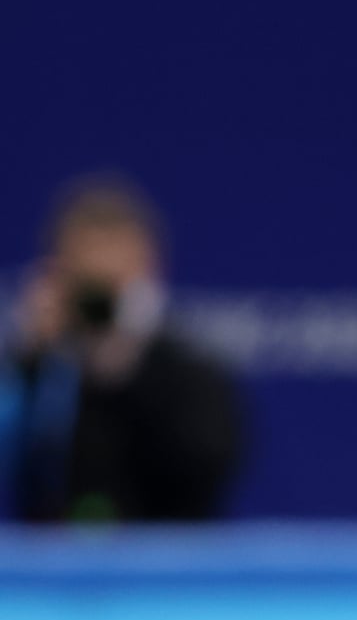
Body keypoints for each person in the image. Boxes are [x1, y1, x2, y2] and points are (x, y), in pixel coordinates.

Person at [1, 174, 243, 522]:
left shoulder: (191, 369)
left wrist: (126, 372)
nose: (101, 302)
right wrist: (28, 363)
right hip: (55, 566)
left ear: (148, 271)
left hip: (167, 566)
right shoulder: (37, 366)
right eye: (88, 282)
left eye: (114, 282)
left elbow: (209, 469)